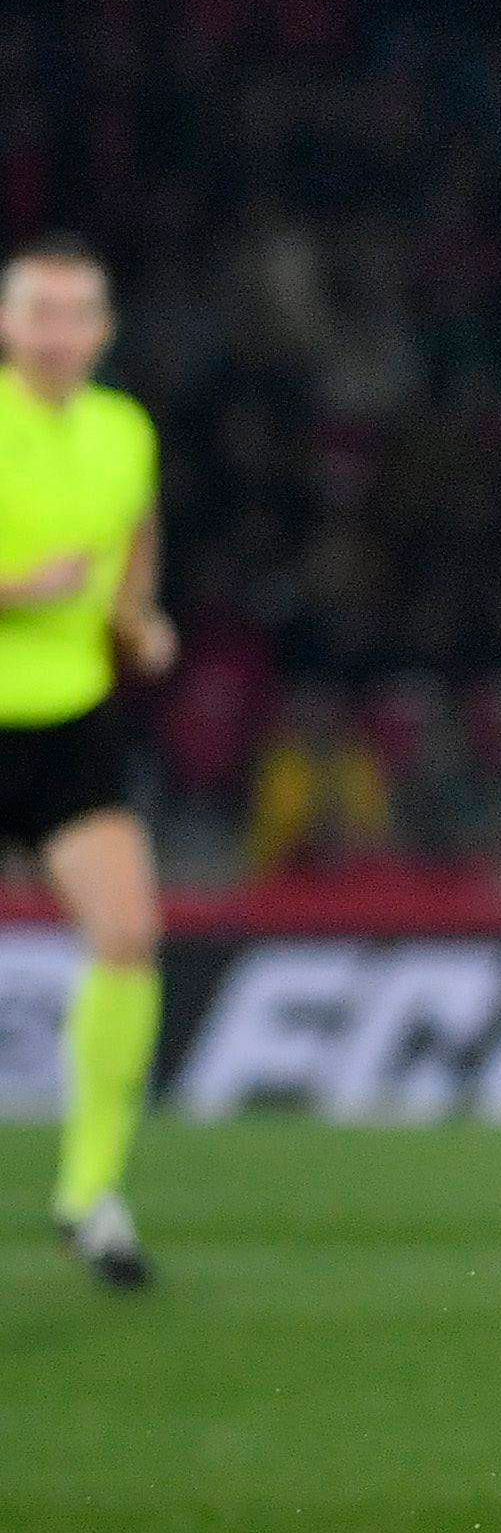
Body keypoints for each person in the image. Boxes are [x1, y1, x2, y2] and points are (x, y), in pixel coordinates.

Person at [0, 238, 175, 1292]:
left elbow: (135, 536)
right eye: (39, 311)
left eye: (76, 314)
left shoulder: (123, 430)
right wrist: (15, 591)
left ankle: (89, 1196)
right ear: (6, 325)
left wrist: (136, 618)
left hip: (69, 722)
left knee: (128, 936)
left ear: (103, 332)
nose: (57, 332)